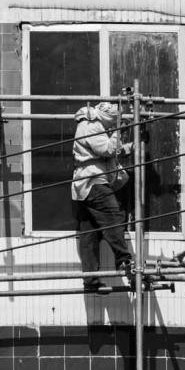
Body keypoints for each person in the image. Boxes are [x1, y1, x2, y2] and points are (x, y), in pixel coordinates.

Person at [71, 102, 135, 294]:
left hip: (84, 185)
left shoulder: (94, 126)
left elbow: (107, 151)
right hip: (93, 182)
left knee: (89, 234)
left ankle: (90, 279)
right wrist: (117, 130)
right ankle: (124, 262)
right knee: (114, 216)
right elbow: (107, 149)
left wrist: (128, 147)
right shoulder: (91, 124)